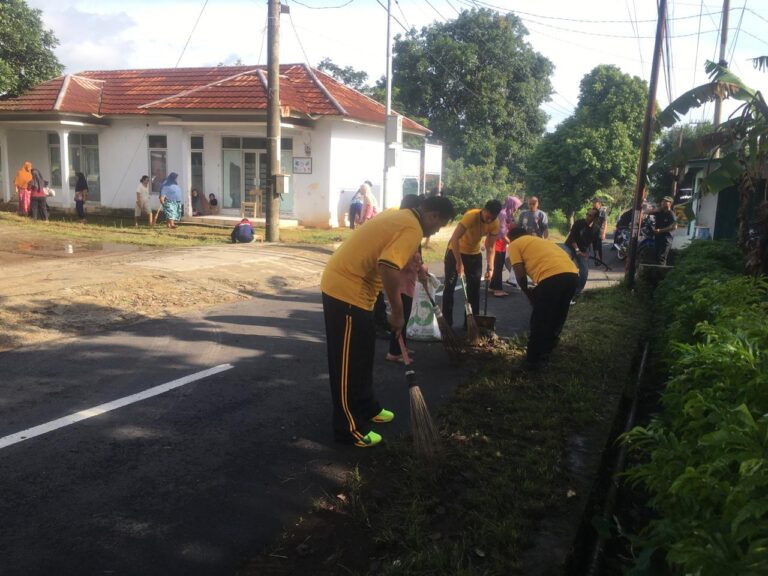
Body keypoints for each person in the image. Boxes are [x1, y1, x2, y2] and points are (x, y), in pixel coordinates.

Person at [321, 195, 455, 447]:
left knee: (363, 355)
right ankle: (348, 430)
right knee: (347, 365)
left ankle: (368, 407)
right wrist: (396, 311)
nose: (437, 230)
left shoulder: (401, 215)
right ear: (433, 215)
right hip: (345, 291)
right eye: (440, 224)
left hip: (358, 293)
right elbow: (388, 265)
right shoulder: (412, 227)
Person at [507, 228, 579, 371]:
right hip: (572, 275)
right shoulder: (541, 241)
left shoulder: (515, 244)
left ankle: (532, 362)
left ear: (512, 239)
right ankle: (546, 353)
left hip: (552, 278)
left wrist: (529, 295)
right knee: (558, 316)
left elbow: (520, 275)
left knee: (539, 320)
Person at [443, 199, 502, 328]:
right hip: (455, 251)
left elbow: (491, 247)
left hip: (474, 254)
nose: (489, 220)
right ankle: (447, 324)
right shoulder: (471, 216)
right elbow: (455, 238)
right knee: (449, 287)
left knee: (474, 291)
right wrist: (459, 262)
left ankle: (470, 325)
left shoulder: (495, 223)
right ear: (484, 210)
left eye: (492, 218)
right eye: (488, 216)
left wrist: (490, 268)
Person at [386, 194, 428, 363]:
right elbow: (401, 255)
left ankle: (401, 347)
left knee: (406, 313)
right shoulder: (405, 227)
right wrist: (417, 265)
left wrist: (420, 268)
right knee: (400, 313)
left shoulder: (413, 226)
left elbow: (417, 251)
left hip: (409, 278)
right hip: (401, 279)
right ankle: (394, 352)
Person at [489, 195, 523, 296]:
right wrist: (512, 243)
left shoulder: (507, 214)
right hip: (498, 242)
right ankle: (498, 290)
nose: (516, 209)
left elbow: (510, 226)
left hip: (501, 244)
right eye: (516, 206)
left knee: (498, 265)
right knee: (498, 266)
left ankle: (492, 286)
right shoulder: (503, 214)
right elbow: (502, 233)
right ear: (511, 205)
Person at [564, 208, 599, 303]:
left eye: (590, 215)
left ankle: (576, 293)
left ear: (595, 218)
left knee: (584, 272)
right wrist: (577, 250)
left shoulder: (596, 229)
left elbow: (596, 243)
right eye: (587, 214)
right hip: (570, 247)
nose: (587, 216)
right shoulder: (579, 223)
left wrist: (595, 255)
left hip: (583, 250)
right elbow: (572, 238)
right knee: (563, 265)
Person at [652, 196, 677, 265]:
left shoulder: (671, 214)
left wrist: (660, 230)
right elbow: (647, 211)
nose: (663, 203)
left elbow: (674, 227)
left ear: (670, 204)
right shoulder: (660, 212)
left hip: (666, 239)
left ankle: (660, 275)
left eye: (666, 201)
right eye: (662, 201)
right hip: (658, 238)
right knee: (655, 257)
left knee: (661, 258)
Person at [590, 198, 608, 263]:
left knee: (598, 246)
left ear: (599, 204)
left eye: (595, 203)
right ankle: (596, 259)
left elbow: (605, 223)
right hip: (593, 231)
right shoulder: (592, 211)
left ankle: (600, 260)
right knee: (594, 246)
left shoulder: (603, 212)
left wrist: (604, 233)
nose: (593, 204)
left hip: (600, 232)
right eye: (593, 203)